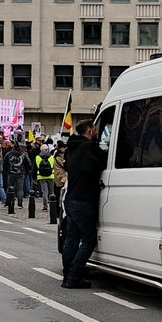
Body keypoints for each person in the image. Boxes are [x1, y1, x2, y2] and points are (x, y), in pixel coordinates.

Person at [61, 119, 107, 289]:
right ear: (89, 131)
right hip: (83, 199)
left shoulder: (71, 148)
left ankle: (67, 275)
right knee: (88, 240)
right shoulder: (89, 148)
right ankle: (74, 276)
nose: (96, 131)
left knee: (72, 239)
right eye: (94, 128)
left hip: (71, 198)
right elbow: (104, 161)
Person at [4, 139, 29, 208]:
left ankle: (7, 202)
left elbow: (5, 164)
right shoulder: (23, 155)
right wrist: (26, 172)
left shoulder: (8, 154)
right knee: (20, 189)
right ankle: (20, 203)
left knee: (9, 187)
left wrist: (7, 172)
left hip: (11, 173)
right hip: (21, 173)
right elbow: (28, 164)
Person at [35, 144, 56, 210]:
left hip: (41, 177)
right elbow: (54, 166)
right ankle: (52, 205)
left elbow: (34, 168)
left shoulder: (37, 157)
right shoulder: (52, 157)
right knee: (51, 191)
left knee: (44, 192)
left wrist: (34, 178)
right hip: (51, 176)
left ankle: (45, 206)